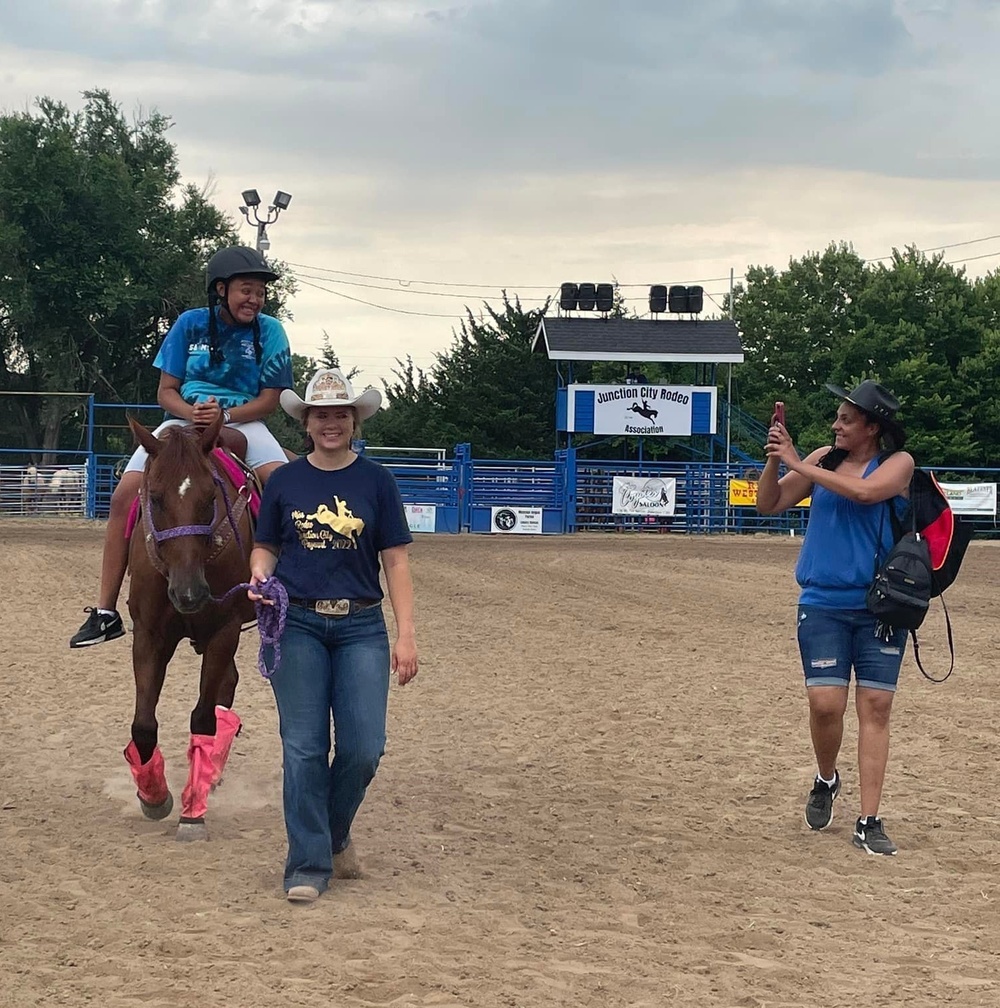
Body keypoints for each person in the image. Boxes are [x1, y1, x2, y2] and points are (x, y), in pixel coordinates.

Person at [248, 367, 418, 903]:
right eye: (321, 414)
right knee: (303, 747)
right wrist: (258, 573)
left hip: (362, 626)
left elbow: (395, 561)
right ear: (306, 422)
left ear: (354, 420)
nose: (331, 423)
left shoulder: (377, 481)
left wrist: (406, 634)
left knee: (366, 746)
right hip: (295, 622)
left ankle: (334, 829)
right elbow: (267, 545)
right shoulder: (285, 482)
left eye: (340, 414)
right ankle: (308, 864)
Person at [69, 245, 293, 648]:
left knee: (284, 487)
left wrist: (226, 416)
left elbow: (270, 398)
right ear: (221, 289)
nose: (255, 299)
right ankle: (105, 612)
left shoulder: (271, 331)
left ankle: (290, 594)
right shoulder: (189, 325)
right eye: (247, 290)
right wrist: (193, 414)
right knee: (123, 495)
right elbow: (165, 391)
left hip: (246, 419)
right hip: (183, 418)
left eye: (260, 292)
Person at [756, 380, 914, 856]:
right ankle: (826, 778)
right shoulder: (822, 457)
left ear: (872, 426)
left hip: (879, 607)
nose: (836, 425)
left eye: (846, 419)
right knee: (825, 704)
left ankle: (869, 819)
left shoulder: (897, 464)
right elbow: (769, 503)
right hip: (822, 602)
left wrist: (798, 463)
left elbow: (866, 494)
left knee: (876, 708)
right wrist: (774, 459)